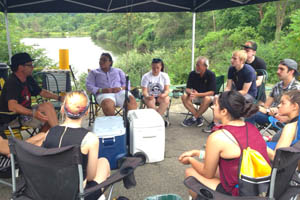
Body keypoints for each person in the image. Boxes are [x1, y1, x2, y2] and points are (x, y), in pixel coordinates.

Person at [179, 91, 270, 198]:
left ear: (224, 111)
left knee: (190, 172)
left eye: (215, 105)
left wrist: (191, 160)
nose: (213, 106)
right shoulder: (252, 128)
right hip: (257, 186)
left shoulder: (218, 136)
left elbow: (207, 173)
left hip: (240, 194)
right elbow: (234, 155)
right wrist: (198, 153)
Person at [42, 91, 110, 200]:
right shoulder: (90, 138)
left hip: (49, 191)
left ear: (63, 108)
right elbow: (91, 176)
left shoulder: (49, 133)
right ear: (87, 112)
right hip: (77, 195)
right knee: (104, 162)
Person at [0, 52, 63, 132]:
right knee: (47, 120)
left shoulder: (28, 78)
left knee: (48, 105)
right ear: (20, 67)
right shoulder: (12, 82)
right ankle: (49, 138)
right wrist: (33, 113)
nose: (33, 67)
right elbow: (12, 106)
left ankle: (56, 134)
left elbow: (41, 92)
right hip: (13, 117)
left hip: (26, 112)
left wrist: (59, 98)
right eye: (30, 65)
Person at [204, 50, 257, 133]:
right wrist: (223, 95)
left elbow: (244, 91)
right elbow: (228, 87)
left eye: (234, 59)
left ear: (242, 60)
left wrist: (229, 95)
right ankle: (215, 123)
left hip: (249, 95)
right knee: (216, 98)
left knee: (230, 101)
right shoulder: (231, 69)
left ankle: (229, 125)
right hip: (236, 92)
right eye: (231, 58)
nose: (231, 60)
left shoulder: (249, 71)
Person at [246, 59, 300, 126]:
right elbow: (266, 105)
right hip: (271, 116)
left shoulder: (297, 89)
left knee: (252, 114)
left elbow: (296, 114)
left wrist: (277, 113)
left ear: (291, 71)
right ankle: (249, 135)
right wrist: (268, 110)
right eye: (278, 68)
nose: (278, 71)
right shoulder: (277, 85)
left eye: (282, 69)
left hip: (286, 121)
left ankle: (248, 135)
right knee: (250, 111)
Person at [181, 56, 216, 127]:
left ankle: (194, 118)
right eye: (196, 65)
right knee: (184, 96)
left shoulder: (211, 75)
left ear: (205, 66)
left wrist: (198, 94)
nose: (196, 67)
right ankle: (198, 117)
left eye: (198, 65)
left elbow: (212, 92)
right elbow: (187, 88)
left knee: (207, 98)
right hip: (195, 96)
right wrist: (191, 92)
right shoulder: (192, 74)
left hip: (207, 97)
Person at [267, 90, 300, 161]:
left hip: (274, 167)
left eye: (283, 103)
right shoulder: (296, 123)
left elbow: (276, 156)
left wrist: (257, 143)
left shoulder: (291, 127)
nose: (278, 106)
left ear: (295, 106)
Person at [141, 58, 171, 126]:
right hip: (149, 95)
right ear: (151, 66)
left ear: (161, 67)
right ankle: (159, 121)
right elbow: (144, 91)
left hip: (161, 95)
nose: (155, 70)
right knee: (150, 101)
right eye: (153, 68)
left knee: (166, 99)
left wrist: (164, 94)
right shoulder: (146, 76)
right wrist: (147, 96)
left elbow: (167, 90)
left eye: (158, 67)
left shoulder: (164, 76)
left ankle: (155, 120)